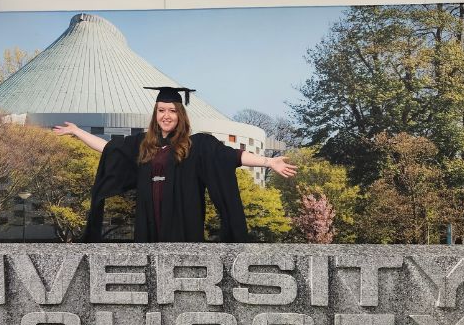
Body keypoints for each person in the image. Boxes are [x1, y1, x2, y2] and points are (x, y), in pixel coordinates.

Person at [53, 86, 296, 242]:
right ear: (155, 114)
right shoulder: (142, 144)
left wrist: (268, 162)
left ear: (180, 114)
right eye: (161, 110)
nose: (166, 115)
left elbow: (232, 156)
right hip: (148, 225)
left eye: (171, 110)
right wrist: (77, 132)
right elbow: (108, 148)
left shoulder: (196, 145)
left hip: (183, 223)